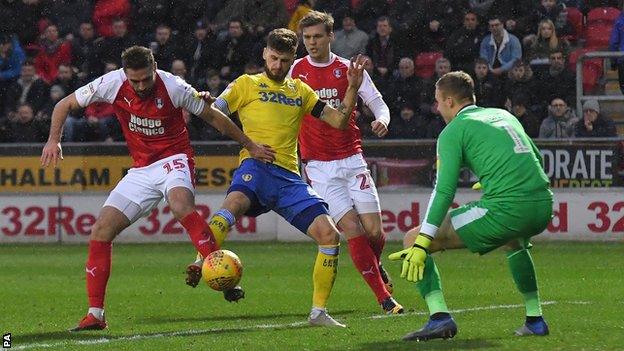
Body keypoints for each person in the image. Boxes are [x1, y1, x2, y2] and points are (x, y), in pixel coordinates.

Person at [40, 45, 275, 332]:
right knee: (101, 229)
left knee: (180, 206)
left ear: (154, 69)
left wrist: (250, 145)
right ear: (125, 74)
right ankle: (95, 315)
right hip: (140, 170)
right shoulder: (112, 83)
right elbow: (63, 105)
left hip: (174, 159)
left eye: (145, 80)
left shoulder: (174, 86)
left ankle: (220, 276)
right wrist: (54, 140)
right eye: (134, 81)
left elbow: (213, 116)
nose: (140, 86)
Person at [184, 28, 368, 327]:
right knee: (233, 205)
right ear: (264, 55)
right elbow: (214, 113)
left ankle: (318, 313)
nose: (277, 65)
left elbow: (339, 121)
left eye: (284, 60)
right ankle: (200, 260)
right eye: (273, 58)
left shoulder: (301, 91)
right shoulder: (246, 84)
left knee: (330, 235)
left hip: (288, 178)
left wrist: (352, 87)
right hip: (255, 168)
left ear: (292, 59)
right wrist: (207, 101)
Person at [389, 71, 553, 341]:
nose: (437, 107)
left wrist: (422, 242)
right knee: (514, 243)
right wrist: (496, 181)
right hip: (543, 204)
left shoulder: (453, 131)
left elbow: (443, 190)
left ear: (450, 101)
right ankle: (535, 320)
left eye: (438, 101)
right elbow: (535, 157)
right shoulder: (503, 115)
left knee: (411, 238)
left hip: (507, 209)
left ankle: (439, 319)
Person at [290, 11, 403, 314]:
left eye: (317, 37)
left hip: (352, 159)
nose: (311, 43)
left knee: (375, 232)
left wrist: (382, 119)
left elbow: (378, 103)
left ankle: (374, 264)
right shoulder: (295, 71)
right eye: (307, 38)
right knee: (352, 230)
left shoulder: (348, 70)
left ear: (330, 37)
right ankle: (384, 298)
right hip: (319, 167)